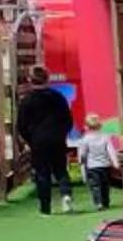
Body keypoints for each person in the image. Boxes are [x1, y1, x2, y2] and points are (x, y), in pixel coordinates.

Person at [13, 65, 76, 214]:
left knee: (42, 173)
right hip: (57, 138)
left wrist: (29, 140)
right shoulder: (58, 97)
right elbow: (68, 119)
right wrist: (62, 133)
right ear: (47, 79)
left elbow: (21, 125)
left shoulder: (27, 101)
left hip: (38, 141)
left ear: (30, 80)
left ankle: (45, 207)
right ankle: (65, 194)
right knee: (61, 169)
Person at [73, 119, 120, 211]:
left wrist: (81, 162)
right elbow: (111, 151)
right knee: (105, 185)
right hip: (105, 165)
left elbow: (83, 154)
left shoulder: (85, 139)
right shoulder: (105, 137)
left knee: (95, 186)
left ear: (86, 127)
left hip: (92, 166)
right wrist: (115, 163)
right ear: (99, 126)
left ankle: (98, 203)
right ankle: (106, 202)